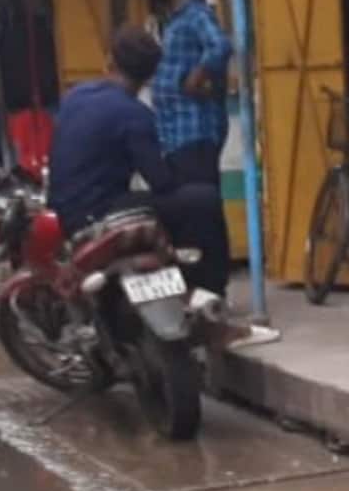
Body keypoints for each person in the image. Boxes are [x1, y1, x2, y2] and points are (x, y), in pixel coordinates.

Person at [47, 26, 231, 296]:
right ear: (150, 75)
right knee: (203, 199)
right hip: (102, 211)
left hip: (63, 211)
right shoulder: (134, 114)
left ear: (110, 60)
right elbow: (161, 182)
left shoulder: (75, 97)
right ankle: (207, 287)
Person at [147, 0, 234, 188]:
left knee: (196, 203)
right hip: (175, 135)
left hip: (193, 132)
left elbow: (220, 44)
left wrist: (198, 75)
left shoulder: (196, 14)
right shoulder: (174, 20)